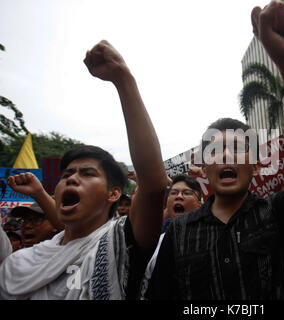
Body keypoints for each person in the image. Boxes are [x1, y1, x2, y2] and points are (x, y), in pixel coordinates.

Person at [147, 1, 284, 300]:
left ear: (256, 165)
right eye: (215, 150)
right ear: (203, 165)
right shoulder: (178, 231)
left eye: (237, 149)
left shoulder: (275, 212)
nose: (225, 156)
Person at [0, 40, 166, 300]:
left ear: (113, 194)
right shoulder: (19, 263)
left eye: (88, 174)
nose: (73, 179)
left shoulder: (120, 245)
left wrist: (123, 79)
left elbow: (154, 184)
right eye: (67, 175)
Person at [140, 174, 202, 299]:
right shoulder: (154, 239)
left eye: (187, 193)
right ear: (167, 204)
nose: (179, 196)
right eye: (173, 193)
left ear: (199, 205)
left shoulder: (208, 237)